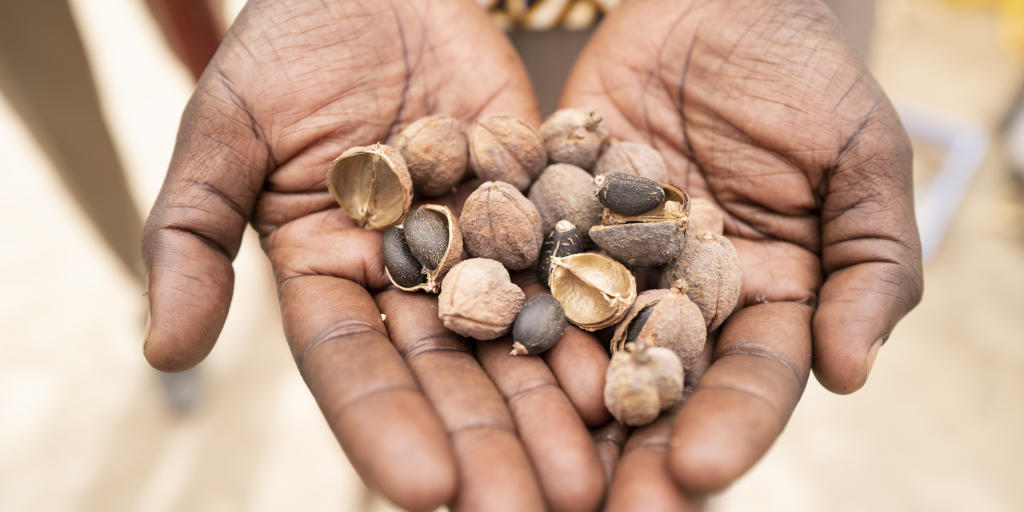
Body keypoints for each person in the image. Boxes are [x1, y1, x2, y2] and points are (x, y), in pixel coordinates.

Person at [141, 0, 924, 509]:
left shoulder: (619, 229)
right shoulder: (490, 207)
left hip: (695, 41)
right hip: (420, 36)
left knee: (663, 449)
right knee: (430, 446)